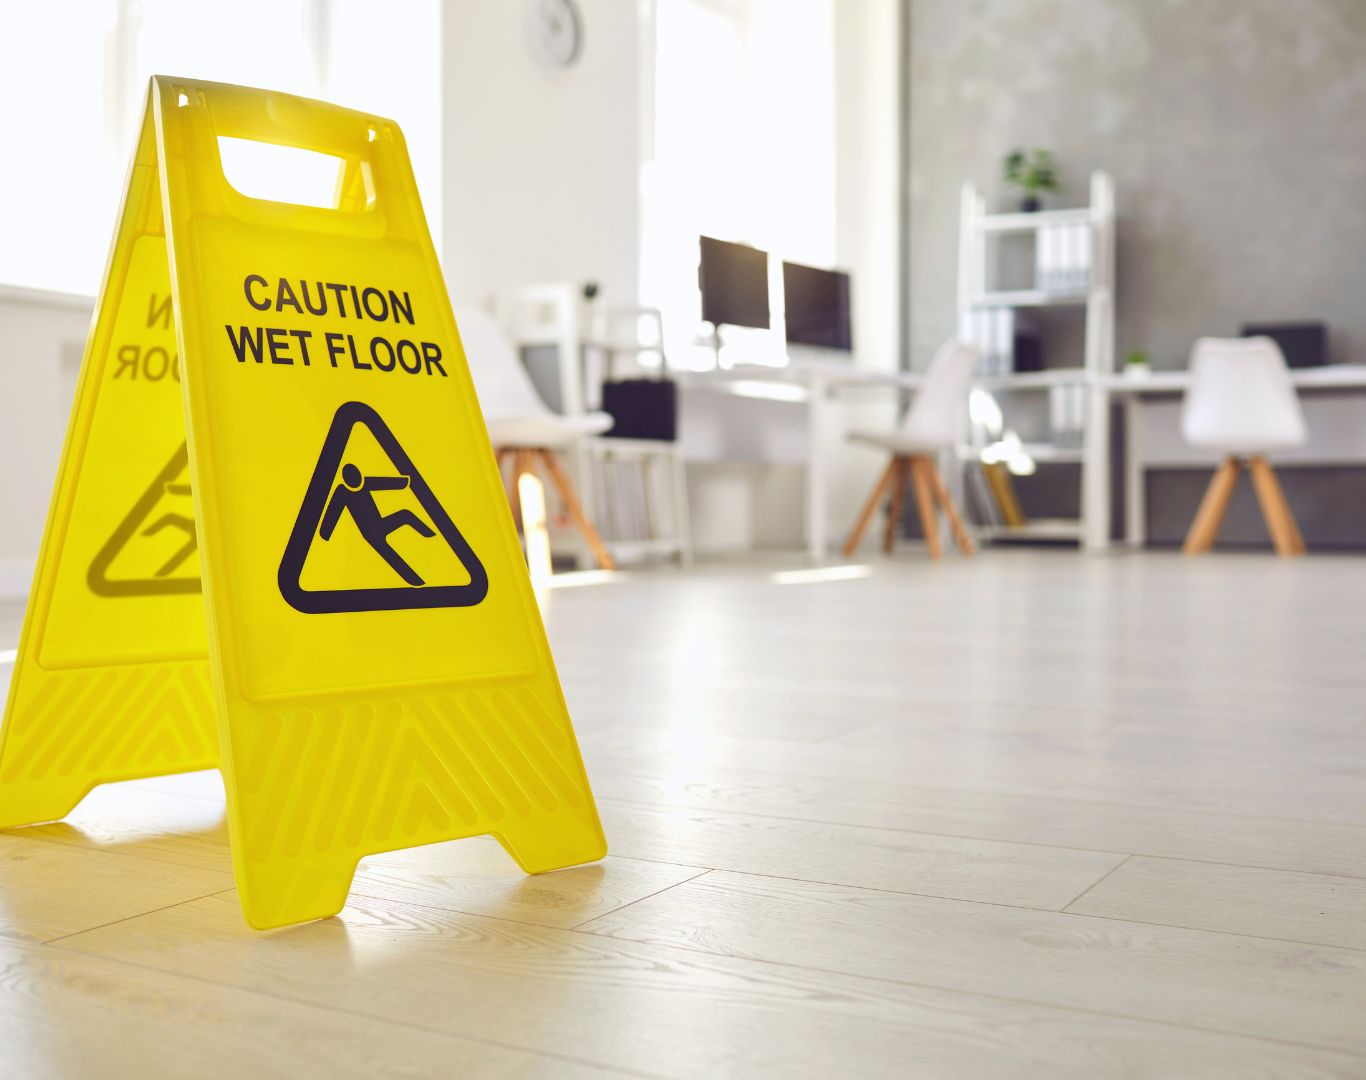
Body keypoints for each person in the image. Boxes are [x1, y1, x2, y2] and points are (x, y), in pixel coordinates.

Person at [320, 463, 434, 586]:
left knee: (405, 515)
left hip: (380, 524)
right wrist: (325, 533)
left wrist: (405, 482)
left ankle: (431, 535)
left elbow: (384, 483)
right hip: (370, 533)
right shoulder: (342, 492)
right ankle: (414, 579)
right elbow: (332, 512)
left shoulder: (365, 483)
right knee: (389, 554)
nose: (356, 479)